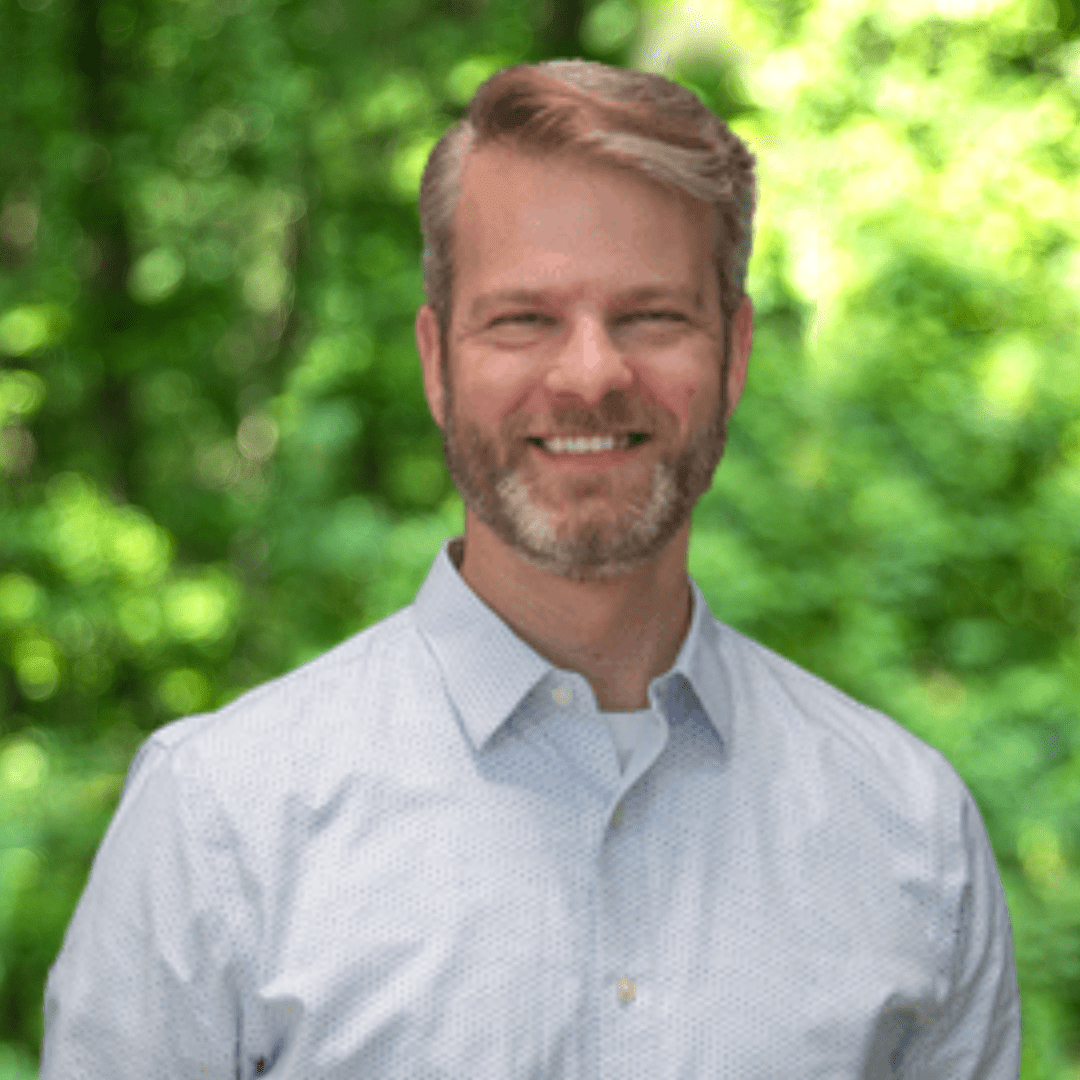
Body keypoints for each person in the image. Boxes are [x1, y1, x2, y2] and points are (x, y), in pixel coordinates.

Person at [40, 59, 1021, 1078]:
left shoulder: (911, 837)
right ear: (436, 362)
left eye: (650, 316)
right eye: (523, 319)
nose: (592, 373)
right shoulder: (220, 827)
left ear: (733, 355)